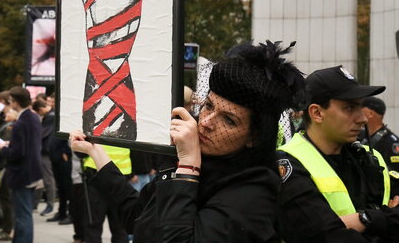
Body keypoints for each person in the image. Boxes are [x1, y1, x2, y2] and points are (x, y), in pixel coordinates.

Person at [70, 41, 304, 242]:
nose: (207, 122)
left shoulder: (255, 191)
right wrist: (96, 152)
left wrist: (188, 167)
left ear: (255, 136)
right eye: (209, 106)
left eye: (229, 120)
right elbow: (137, 217)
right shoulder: (190, 161)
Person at [277, 66, 399, 242]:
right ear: (317, 113)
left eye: (360, 106)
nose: (363, 118)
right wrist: (391, 220)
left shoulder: (369, 157)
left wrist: (367, 219)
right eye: (350, 108)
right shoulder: (288, 162)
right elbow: (323, 236)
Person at [0, 86, 42, 243]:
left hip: (22, 173)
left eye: (10, 101)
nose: (9, 104)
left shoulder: (21, 123)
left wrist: (4, 148)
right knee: (24, 214)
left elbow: (17, 153)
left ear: (16, 102)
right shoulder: (33, 118)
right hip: (32, 170)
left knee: (23, 216)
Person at [359, 97, 399, 175]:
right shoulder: (358, 136)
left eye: (360, 111)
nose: (356, 115)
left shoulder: (392, 143)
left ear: (370, 114)